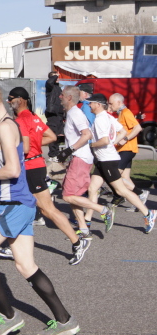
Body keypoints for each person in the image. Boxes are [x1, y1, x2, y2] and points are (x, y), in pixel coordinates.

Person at [0, 80, 79, 335]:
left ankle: (9, 317)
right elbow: (4, 176)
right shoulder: (7, 126)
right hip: (22, 204)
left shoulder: (5, 128)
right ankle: (65, 321)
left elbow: (14, 170)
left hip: (13, 206)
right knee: (26, 266)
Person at [5, 87, 90, 266]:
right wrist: (35, 145)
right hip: (34, 165)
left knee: (47, 209)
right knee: (21, 206)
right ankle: (13, 245)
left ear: (21, 100)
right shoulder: (33, 117)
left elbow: (25, 148)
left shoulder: (21, 120)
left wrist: (9, 148)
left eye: (11, 98)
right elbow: (51, 136)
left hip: (31, 168)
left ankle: (77, 242)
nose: (8, 101)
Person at [82, 93, 156, 233]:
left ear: (98, 105)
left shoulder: (101, 119)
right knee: (92, 189)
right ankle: (87, 222)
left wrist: (90, 145)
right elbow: (122, 131)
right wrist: (114, 143)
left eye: (91, 103)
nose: (89, 105)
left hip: (107, 160)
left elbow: (104, 140)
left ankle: (148, 213)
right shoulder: (108, 117)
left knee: (121, 190)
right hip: (103, 159)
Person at [58, 86, 115, 239]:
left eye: (62, 95)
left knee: (67, 196)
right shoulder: (72, 112)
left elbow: (87, 134)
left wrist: (69, 150)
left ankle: (103, 210)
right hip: (78, 158)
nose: (59, 97)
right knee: (73, 195)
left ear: (69, 97)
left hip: (80, 158)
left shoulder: (75, 113)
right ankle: (83, 229)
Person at [108, 93, 148, 212]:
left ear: (119, 102)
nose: (110, 105)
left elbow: (138, 128)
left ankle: (140, 193)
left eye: (111, 103)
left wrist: (125, 138)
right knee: (125, 177)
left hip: (127, 149)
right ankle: (138, 202)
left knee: (115, 174)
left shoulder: (125, 112)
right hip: (124, 149)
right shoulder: (121, 113)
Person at [45, 72, 65, 160]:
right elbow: (49, 82)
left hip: (59, 114)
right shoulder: (50, 87)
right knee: (53, 133)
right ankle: (53, 154)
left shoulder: (58, 88)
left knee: (59, 134)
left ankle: (57, 153)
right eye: (56, 77)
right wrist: (55, 75)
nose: (58, 78)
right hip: (52, 114)